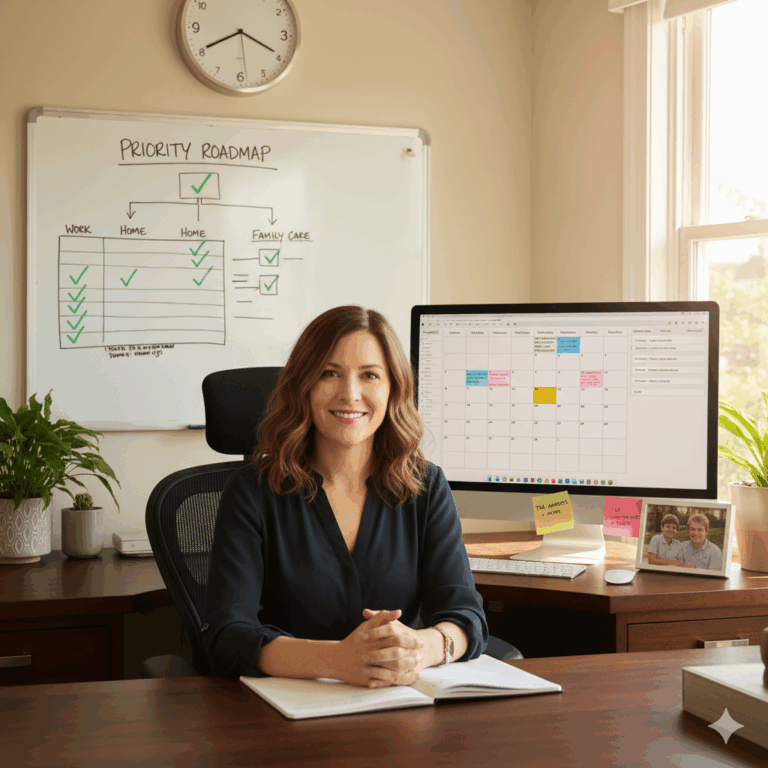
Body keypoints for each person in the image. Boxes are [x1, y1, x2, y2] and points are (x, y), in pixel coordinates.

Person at [203, 306, 488, 688]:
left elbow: (465, 615)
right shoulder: (252, 492)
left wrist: (422, 647)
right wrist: (337, 660)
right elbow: (227, 634)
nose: (350, 394)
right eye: (329, 373)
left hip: (394, 712)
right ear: (303, 385)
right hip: (279, 720)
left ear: (394, 389)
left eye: (369, 375)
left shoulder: (425, 487)